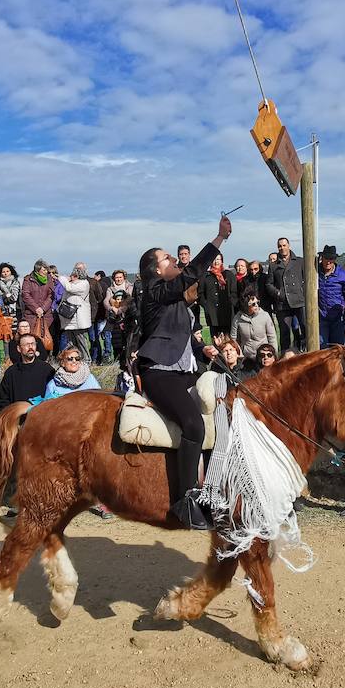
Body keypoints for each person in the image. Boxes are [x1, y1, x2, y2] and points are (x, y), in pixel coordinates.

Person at [135, 214, 231, 530]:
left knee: (227, 398)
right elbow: (191, 271)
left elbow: (181, 332)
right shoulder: (154, 289)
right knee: (192, 424)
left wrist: (201, 347)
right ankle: (185, 500)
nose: (174, 259)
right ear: (157, 270)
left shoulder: (173, 297)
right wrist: (218, 240)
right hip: (159, 373)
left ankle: (220, 487)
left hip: (184, 368)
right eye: (167, 258)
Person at [0, 331, 56, 410]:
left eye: (33, 344)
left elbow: (54, 396)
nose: (30, 347)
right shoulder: (11, 373)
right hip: (18, 416)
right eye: (27, 344)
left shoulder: (47, 370)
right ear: (19, 349)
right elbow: (4, 400)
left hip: (41, 416)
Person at [268, 236, 306, 352]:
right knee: (284, 333)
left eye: (284, 245)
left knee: (305, 329)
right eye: (279, 246)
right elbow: (269, 284)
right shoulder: (273, 266)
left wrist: (302, 292)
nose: (282, 248)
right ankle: (285, 358)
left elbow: (307, 279)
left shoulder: (300, 261)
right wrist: (279, 293)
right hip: (283, 304)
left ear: (289, 246)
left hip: (299, 301)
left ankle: (306, 353)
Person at [317, 246, 345, 347]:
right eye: (326, 258)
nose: (328, 262)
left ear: (334, 259)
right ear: (322, 258)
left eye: (331, 259)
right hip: (321, 317)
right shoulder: (315, 273)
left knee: (338, 347)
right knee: (322, 346)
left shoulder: (343, 275)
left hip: (338, 317)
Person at [21, 260, 57, 357]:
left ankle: (48, 358)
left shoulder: (49, 279)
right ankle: (33, 358)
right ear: (37, 270)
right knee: (33, 338)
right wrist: (36, 308)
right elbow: (26, 295)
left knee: (47, 337)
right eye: (44, 270)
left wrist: (43, 308)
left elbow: (51, 295)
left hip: (46, 315)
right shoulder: (28, 279)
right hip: (32, 315)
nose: (46, 272)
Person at [198, 255, 236, 342]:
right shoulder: (205, 276)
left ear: (222, 261)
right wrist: (206, 306)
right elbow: (201, 293)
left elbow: (234, 292)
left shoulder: (228, 275)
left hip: (227, 313)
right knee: (215, 340)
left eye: (218, 259)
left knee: (227, 340)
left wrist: (231, 303)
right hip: (212, 314)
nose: (216, 262)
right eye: (214, 259)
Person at [232, 292, 277, 361]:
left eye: (257, 302)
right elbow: (233, 339)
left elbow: (272, 337)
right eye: (253, 304)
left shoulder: (265, 315)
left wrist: (274, 355)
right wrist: (239, 355)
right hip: (246, 357)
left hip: (263, 357)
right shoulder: (237, 319)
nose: (256, 305)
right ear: (246, 305)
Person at [103, 270, 135, 365]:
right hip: (114, 317)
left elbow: (130, 300)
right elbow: (106, 300)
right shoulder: (110, 289)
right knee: (115, 338)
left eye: (120, 277)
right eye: (117, 277)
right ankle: (116, 358)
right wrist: (111, 308)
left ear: (124, 277)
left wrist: (121, 309)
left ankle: (126, 359)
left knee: (126, 338)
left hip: (126, 316)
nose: (118, 279)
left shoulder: (129, 287)